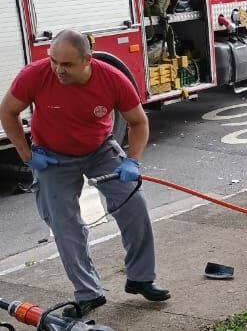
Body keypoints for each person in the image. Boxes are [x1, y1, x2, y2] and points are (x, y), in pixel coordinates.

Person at [0, 30, 171, 319]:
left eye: (66, 65)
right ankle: (88, 293)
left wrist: (133, 161)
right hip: (52, 156)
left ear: (87, 60)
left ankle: (140, 277)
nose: (58, 69)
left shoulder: (112, 79)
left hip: (99, 149)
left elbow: (138, 122)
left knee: (134, 205)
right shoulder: (35, 75)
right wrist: (28, 156)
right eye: (54, 61)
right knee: (65, 225)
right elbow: (8, 111)